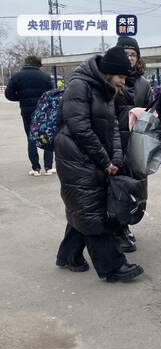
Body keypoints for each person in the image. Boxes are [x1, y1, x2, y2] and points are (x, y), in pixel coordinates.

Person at [54, 47, 144, 282]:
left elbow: (113, 126)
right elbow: (80, 129)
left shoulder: (106, 89)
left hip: (94, 157)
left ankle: (68, 256)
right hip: (75, 157)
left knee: (83, 208)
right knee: (92, 213)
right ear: (108, 72)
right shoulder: (79, 86)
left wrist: (115, 158)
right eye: (121, 77)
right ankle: (113, 267)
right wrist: (105, 161)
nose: (124, 82)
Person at [114, 35, 152, 253]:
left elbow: (150, 112)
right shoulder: (109, 79)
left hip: (138, 144)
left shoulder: (143, 84)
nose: (129, 58)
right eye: (125, 54)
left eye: (133, 54)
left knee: (136, 188)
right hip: (116, 142)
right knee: (119, 187)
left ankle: (127, 223)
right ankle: (119, 228)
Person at [4, 55, 55, 176]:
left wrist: (20, 98)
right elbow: (52, 94)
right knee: (46, 136)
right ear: (38, 64)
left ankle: (35, 168)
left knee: (31, 138)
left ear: (26, 63)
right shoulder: (45, 77)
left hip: (26, 111)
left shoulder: (17, 77)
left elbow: (8, 94)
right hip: (43, 111)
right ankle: (48, 167)